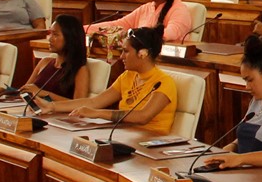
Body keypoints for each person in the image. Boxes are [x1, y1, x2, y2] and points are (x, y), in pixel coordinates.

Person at [35, 27, 177, 134]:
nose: (121, 57)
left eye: (126, 51)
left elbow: (143, 117)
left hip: (150, 141)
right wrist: (52, 106)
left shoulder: (164, 82)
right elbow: (94, 102)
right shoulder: (128, 76)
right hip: (124, 136)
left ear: (143, 54)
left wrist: (99, 113)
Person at [25, 15, 91, 99]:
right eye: (50, 34)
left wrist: (44, 93)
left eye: (55, 35)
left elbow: (79, 103)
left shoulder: (80, 70)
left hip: (56, 108)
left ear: (70, 38)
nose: (50, 39)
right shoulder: (45, 62)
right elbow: (26, 90)